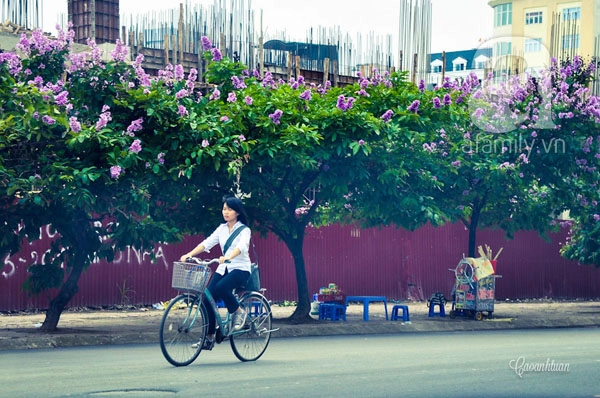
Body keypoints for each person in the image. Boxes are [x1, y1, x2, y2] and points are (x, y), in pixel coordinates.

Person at [179, 196, 252, 350]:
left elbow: (242, 247)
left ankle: (239, 311)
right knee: (207, 299)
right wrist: (189, 254)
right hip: (224, 268)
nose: (226, 212)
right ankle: (209, 337)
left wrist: (228, 257)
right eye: (224, 209)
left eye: (229, 209)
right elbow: (207, 243)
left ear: (237, 212)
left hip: (240, 268)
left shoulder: (244, 230)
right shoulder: (222, 229)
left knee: (221, 288)